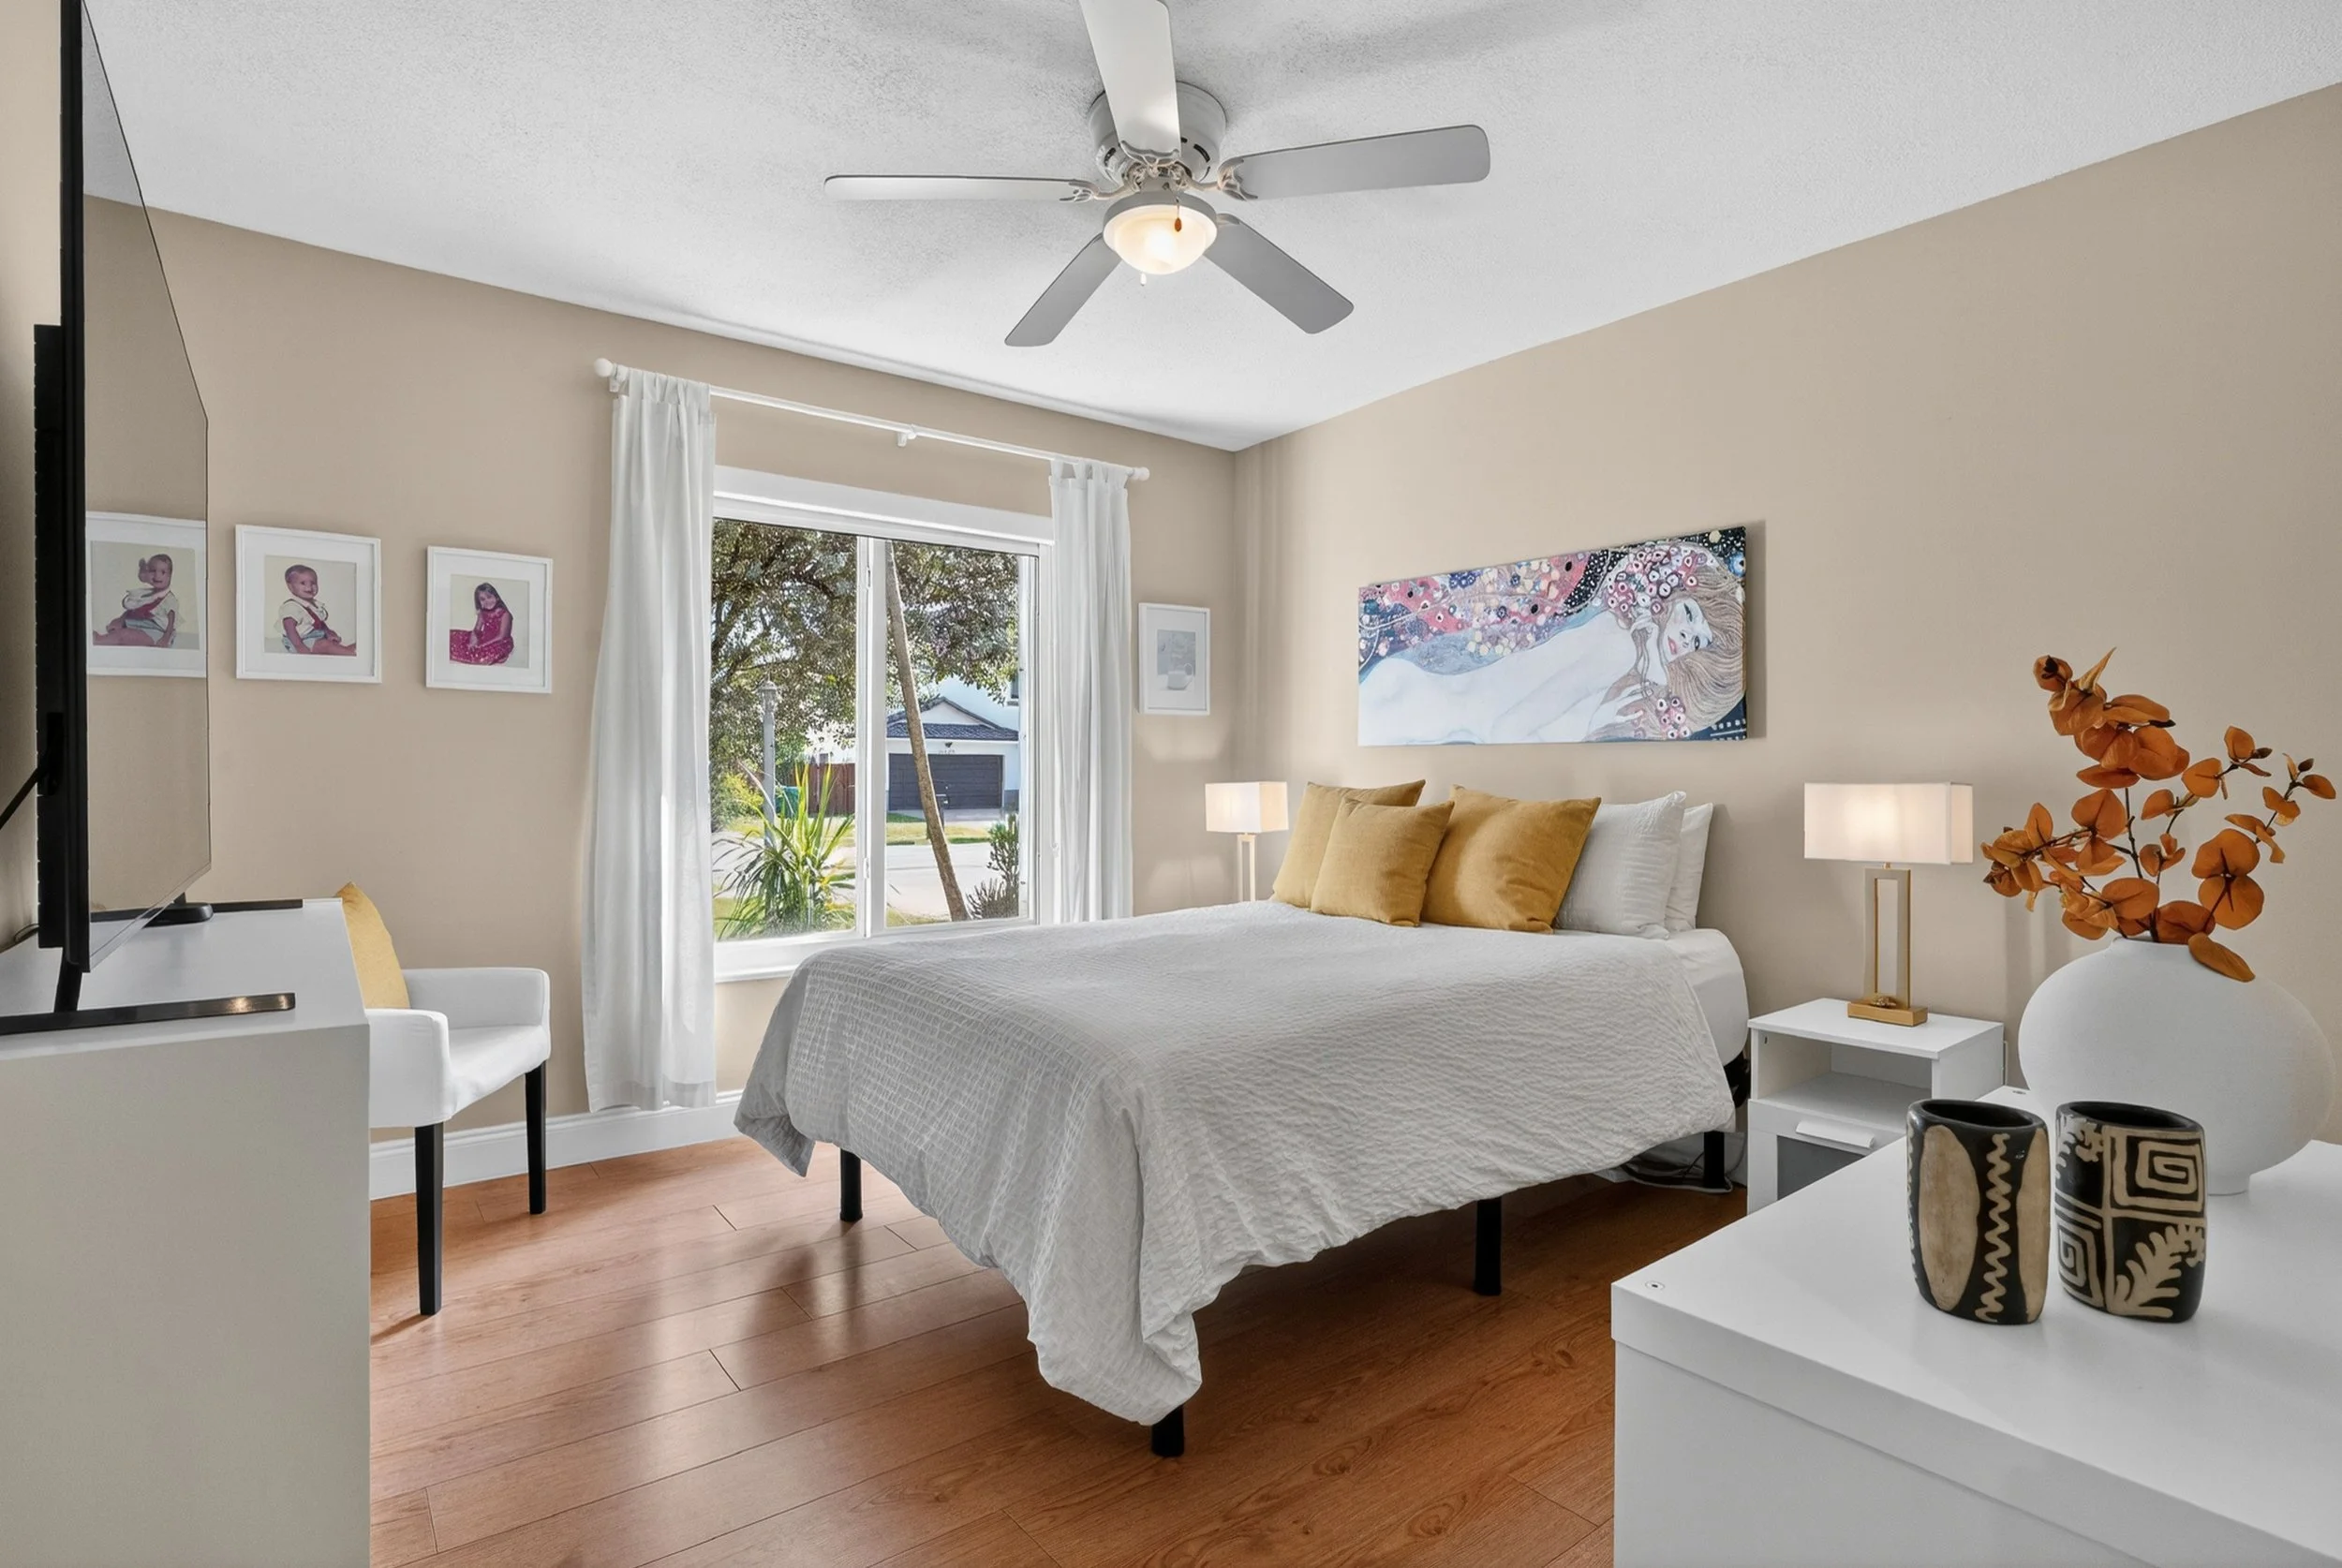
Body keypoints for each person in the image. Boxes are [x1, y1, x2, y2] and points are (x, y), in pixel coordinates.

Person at [1357, 539, 1744, 745]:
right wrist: (1596, 724)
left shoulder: (1620, 644)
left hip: (1415, 699)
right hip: (1422, 713)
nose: (1685, 636)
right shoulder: (1619, 648)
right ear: (1672, 594)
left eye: (1699, 641)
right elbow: (1505, 731)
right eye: (1691, 615)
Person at [96, 553, 179, 646]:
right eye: (153, 571)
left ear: (170, 576)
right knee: (116, 627)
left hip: (157, 633)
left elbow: (171, 623)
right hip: (140, 625)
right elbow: (134, 610)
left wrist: (165, 639)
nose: (157, 575)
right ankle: (104, 637)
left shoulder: (169, 599)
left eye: (162, 572)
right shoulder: (148, 595)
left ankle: (99, 640)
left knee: (125, 636)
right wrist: (121, 619)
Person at [278, 563, 355, 656]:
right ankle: (351, 653)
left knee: (331, 644)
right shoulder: (291, 607)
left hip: (315, 636)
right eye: (303, 583)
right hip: (299, 641)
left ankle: (349, 651)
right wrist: (300, 647)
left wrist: (329, 632)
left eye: (313, 583)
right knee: (324, 645)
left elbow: (319, 622)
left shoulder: (314, 605)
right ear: (290, 586)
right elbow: (290, 630)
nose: (309, 587)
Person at [448, 581, 515, 665]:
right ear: (479, 602)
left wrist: (481, 645)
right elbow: (477, 629)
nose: (487, 601)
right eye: (483, 599)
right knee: (454, 637)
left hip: (499, 642)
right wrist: (474, 639)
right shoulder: (482, 613)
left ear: (497, 597)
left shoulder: (505, 614)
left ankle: (499, 657)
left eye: (489, 597)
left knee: (478, 656)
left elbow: (501, 636)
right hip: (485, 637)